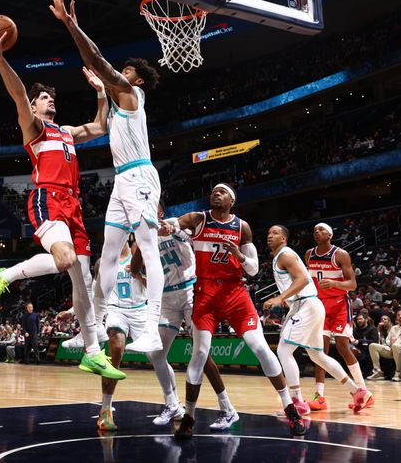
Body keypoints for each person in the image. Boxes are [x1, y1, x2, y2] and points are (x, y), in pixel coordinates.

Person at [0, 22, 123, 380]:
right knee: (65, 259)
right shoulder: (35, 129)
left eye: (51, 97)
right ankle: (3, 274)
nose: (50, 100)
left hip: (73, 205)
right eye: (44, 97)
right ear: (34, 105)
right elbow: (16, 93)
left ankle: (92, 352)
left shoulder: (68, 131)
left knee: (83, 284)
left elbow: (101, 127)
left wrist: (102, 93)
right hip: (47, 199)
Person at [48, 0, 165, 354]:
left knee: (148, 249)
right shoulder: (114, 108)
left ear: (136, 80)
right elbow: (97, 125)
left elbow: (98, 60)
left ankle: (150, 327)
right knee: (107, 256)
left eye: (123, 72)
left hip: (141, 175)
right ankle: (93, 328)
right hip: (122, 180)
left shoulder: (132, 95)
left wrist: (69, 25)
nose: (117, 76)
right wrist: (99, 92)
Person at [164, 184, 305, 438]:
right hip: (205, 294)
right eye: (214, 191)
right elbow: (176, 223)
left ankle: (290, 409)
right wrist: (167, 226)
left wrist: (239, 256)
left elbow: (252, 269)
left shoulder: (243, 227)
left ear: (232, 200)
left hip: (235, 294)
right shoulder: (199, 218)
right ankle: (189, 417)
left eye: (222, 192)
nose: (215, 194)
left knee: (261, 347)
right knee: (200, 352)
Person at [130, 200, 239, 430]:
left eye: (146, 211)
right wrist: (142, 241)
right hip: (168, 299)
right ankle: (172, 404)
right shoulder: (144, 236)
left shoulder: (174, 224)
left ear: (159, 212)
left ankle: (227, 408)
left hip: (191, 291)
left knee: (202, 354)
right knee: (155, 354)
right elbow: (135, 266)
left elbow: (192, 240)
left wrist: (175, 230)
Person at [263, 225, 370, 417]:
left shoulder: (285, 255)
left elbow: (303, 279)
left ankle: (297, 401)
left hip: (307, 305)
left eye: (275, 233)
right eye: (269, 233)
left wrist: (280, 298)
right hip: (310, 305)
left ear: (284, 239)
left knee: (283, 350)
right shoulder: (288, 255)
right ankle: (358, 392)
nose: (270, 236)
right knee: (317, 356)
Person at [58, 241, 143, 431]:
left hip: (140, 310)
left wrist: (138, 274)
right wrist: (71, 312)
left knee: (159, 357)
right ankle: (105, 411)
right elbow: (91, 294)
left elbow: (154, 284)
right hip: (115, 311)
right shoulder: (103, 263)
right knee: (116, 348)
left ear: (128, 235)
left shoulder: (139, 256)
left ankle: (173, 404)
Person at [305, 223, 372, 412]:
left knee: (343, 346)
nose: (317, 232)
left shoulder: (340, 254)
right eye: (315, 230)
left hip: (340, 305)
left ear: (330, 235)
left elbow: (352, 285)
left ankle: (364, 393)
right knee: (320, 351)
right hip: (320, 306)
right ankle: (320, 397)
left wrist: (334, 283)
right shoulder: (309, 254)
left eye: (321, 230)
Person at [368, 309, 401, 381]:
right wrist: (391, 344)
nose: (400, 316)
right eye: (398, 315)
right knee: (372, 345)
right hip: (392, 349)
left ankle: (399, 372)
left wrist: (396, 344)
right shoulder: (394, 328)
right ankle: (378, 371)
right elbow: (388, 340)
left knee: (395, 346)